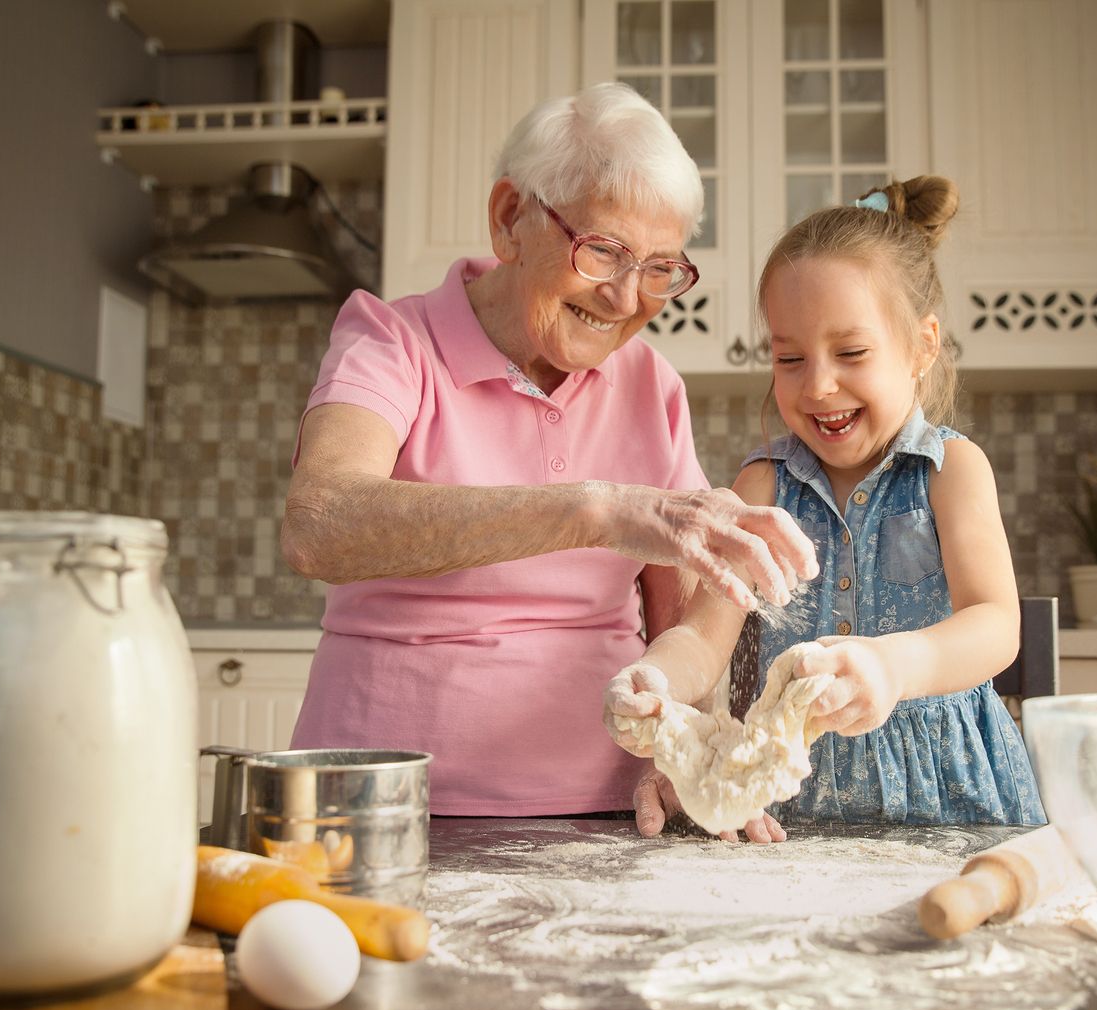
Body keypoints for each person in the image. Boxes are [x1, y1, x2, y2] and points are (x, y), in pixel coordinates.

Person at [281, 83, 818, 831]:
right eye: (604, 251)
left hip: (606, 813)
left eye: (661, 268)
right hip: (381, 805)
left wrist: (689, 758)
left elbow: (684, 621)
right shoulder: (392, 341)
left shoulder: (650, 383)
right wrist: (596, 510)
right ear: (511, 220)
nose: (628, 298)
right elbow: (321, 522)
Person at [604, 176, 1046, 839]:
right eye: (789, 357)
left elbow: (995, 623)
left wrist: (895, 666)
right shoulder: (761, 488)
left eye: (851, 352)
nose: (818, 384)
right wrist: (655, 679)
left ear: (922, 345)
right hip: (798, 819)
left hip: (958, 808)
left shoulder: (951, 472)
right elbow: (703, 636)